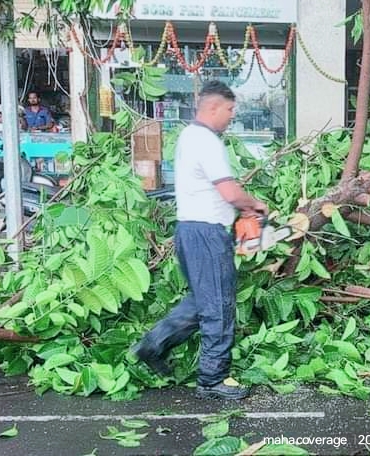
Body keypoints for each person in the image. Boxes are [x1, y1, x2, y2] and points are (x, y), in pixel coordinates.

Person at [132, 80, 267, 401]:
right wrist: (255, 205)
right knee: (218, 307)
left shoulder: (189, 137)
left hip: (189, 231)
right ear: (213, 107)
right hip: (207, 234)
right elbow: (230, 192)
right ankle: (212, 379)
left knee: (201, 303)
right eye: (230, 110)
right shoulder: (207, 141)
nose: (232, 116)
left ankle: (153, 345)